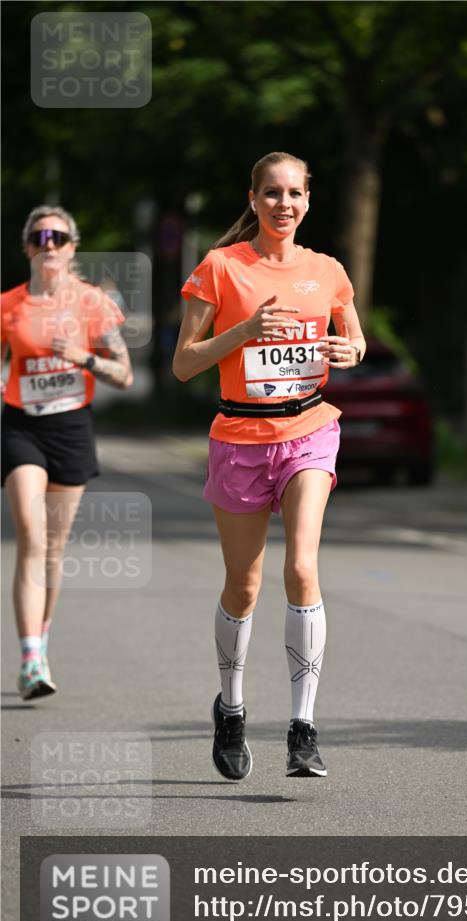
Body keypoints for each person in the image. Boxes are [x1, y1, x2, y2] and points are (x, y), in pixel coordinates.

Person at [173, 151, 365, 780]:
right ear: (253, 199)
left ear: (309, 200)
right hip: (239, 436)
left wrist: (350, 347)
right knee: (244, 586)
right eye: (273, 193)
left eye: (296, 194)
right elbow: (184, 363)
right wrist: (246, 331)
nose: (286, 204)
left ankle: (303, 729)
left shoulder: (327, 270)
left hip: (310, 427)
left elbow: (353, 337)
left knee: (303, 567)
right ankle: (230, 708)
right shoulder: (220, 267)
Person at [1, 205, 133, 700]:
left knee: (54, 548)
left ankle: (43, 641)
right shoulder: (8, 305)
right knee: (31, 536)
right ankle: (30, 657)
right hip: (20, 428)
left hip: (72, 428)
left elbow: (124, 374)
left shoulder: (93, 304)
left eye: (58, 236)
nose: (49, 244)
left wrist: (82, 357)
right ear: (28, 248)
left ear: (72, 246)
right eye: (39, 237)